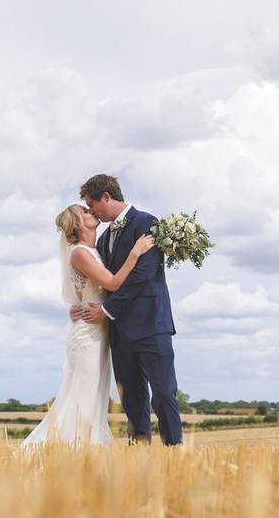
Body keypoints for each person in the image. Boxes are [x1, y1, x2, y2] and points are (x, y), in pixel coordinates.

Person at [21, 203, 154, 448]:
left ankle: (85, 449)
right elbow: (112, 283)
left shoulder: (95, 249)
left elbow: (86, 292)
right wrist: (135, 253)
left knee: (95, 394)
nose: (91, 211)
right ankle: (69, 449)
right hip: (87, 335)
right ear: (77, 224)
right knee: (83, 393)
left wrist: (80, 304)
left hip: (100, 331)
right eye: (84, 211)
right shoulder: (80, 253)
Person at [72, 173, 183, 446]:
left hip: (151, 326)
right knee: (131, 398)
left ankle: (174, 451)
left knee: (163, 392)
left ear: (106, 197)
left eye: (92, 203)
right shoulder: (105, 236)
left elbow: (142, 275)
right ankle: (139, 456)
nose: (92, 210)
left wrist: (107, 310)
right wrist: (80, 306)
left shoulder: (147, 223)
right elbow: (102, 281)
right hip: (119, 333)